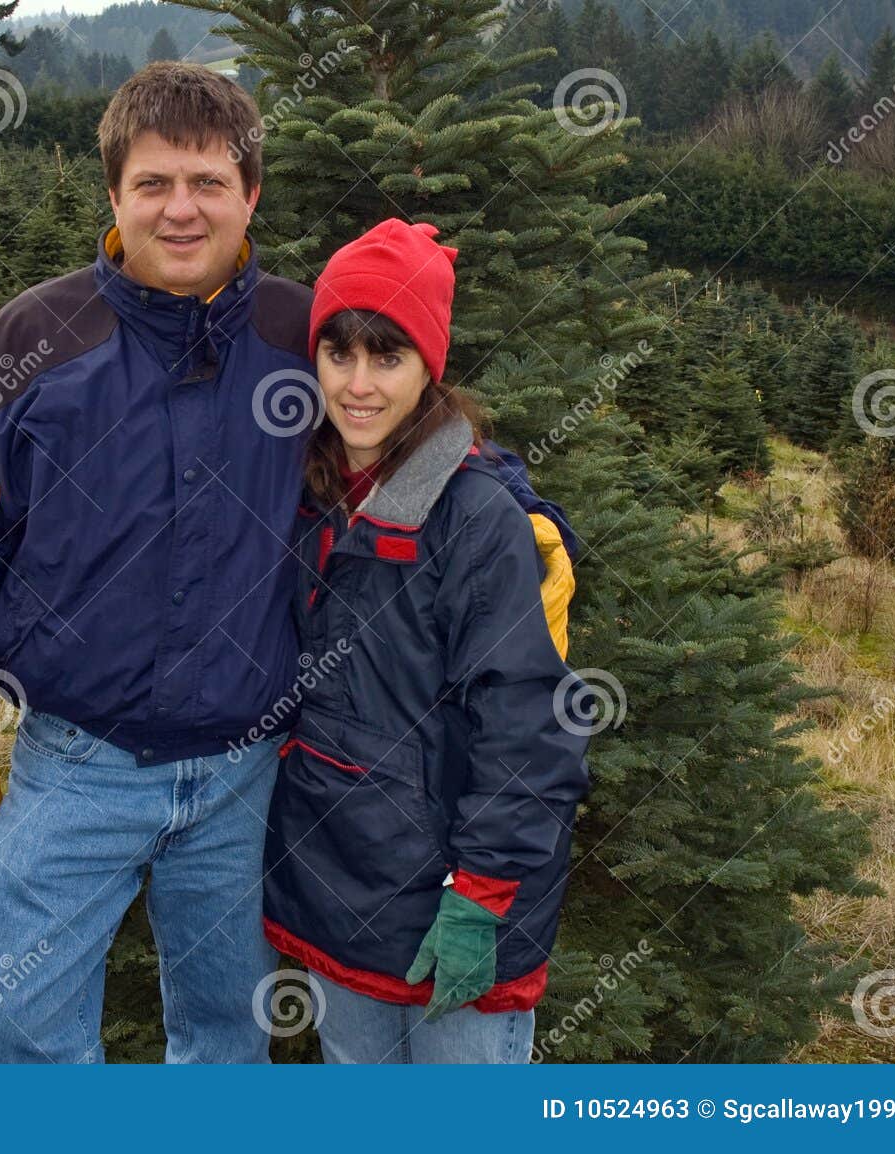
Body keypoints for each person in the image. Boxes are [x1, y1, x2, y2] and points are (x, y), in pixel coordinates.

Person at [0, 61, 314, 1062]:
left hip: (247, 768)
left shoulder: (302, 332)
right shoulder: (34, 338)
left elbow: (412, 431)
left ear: (250, 193)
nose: (180, 208)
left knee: (228, 1040)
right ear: (115, 195)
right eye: (154, 183)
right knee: (17, 1037)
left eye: (208, 182)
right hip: (74, 762)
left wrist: (519, 520)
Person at [260, 217, 592, 1064]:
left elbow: (528, 725)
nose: (359, 384)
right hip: (336, 888)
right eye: (339, 354)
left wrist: (481, 897)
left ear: (430, 367)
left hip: (454, 896)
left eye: (388, 356)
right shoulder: (306, 492)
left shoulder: (475, 516)